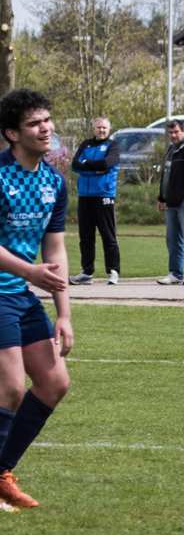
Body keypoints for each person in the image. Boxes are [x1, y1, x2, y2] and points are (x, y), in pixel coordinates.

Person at [0, 89, 73, 510]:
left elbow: (56, 251)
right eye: (33, 123)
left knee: (54, 382)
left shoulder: (52, 182)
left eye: (47, 120)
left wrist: (63, 314)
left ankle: (1, 470)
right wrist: (28, 272)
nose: (45, 128)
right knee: (10, 389)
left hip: (21, 295)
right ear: (12, 133)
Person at [68, 116, 121, 286]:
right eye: (99, 127)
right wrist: (94, 169)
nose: (101, 130)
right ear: (94, 128)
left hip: (103, 195)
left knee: (108, 235)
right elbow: (75, 165)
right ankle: (87, 272)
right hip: (85, 196)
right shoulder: (86, 144)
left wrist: (87, 166)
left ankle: (113, 271)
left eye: (104, 127)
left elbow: (107, 163)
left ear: (109, 128)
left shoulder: (113, 146)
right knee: (86, 237)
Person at [156, 119, 184, 286]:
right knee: (172, 239)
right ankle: (175, 273)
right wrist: (162, 197)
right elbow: (166, 176)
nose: (173, 136)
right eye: (170, 133)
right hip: (171, 202)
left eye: (176, 132)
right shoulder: (172, 148)